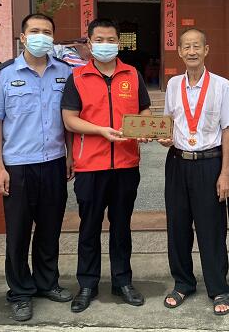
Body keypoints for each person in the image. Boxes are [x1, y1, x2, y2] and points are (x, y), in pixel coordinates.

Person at [0, 13, 73, 322]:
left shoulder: (64, 72)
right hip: (18, 166)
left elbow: (68, 119)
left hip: (54, 163)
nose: (41, 36)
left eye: (47, 32)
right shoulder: (5, 74)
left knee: (50, 228)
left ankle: (47, 283)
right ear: (22, 37)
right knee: (18, 232)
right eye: (34, 31)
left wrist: (69, 155)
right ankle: (20, 291)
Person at [61, 19, 152, 313]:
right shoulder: (77, 77)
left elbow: (144, 110)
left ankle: (122, 281)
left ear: (118, 43)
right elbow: (69, 119)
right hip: (90, 166)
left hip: (126, 164)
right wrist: (100, 131)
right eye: (99, 39)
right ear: (89, 43)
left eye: (111, 39)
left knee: (121, 227)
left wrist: (146, 128)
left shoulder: (132, 74)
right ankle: (87, 284)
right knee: (89, 228)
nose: (105, 44)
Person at [159, 28, 229, 316]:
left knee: (211, 228)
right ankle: (183, 283)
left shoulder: (221, 85)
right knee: (177, 226)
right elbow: (169, 122)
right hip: (177, 162)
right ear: (179, 52)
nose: (191, 51)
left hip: (209, 163)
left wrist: (225, 172)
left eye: (197, 46)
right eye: (186, 47)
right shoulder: (173, 84)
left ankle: (218, 287)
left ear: (206, 50)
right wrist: (165, 137)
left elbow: (228, 129)